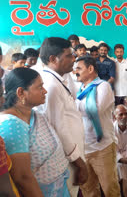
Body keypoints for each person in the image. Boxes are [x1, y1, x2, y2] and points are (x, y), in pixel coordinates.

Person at [0, 68, 74, 196]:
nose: (45, 91)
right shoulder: (11, 125)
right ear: (21, 92)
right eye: (40, 87)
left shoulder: (35, 114)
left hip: (59, 188)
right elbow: (23, 178)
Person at [37, 37, 87, 197]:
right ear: (53, 59)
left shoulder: (60, 79)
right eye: (69, 56)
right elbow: (58, 129)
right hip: (66, 161)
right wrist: (79, 163)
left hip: (70, 157)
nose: (74, 59)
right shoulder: (51, 86)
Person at [74, 56, 120, 197]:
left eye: (79, 68)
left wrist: (70, 105)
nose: (75, 71)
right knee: (89, 190)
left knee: (110, 189)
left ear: (91, 69)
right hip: (83, 149)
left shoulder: (103, 86)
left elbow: (94, 110)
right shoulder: (79, 88)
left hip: (102, 147)